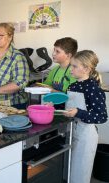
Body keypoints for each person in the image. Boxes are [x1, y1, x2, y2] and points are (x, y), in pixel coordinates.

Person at [63, 50, 107, 183]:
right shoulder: (73, 86)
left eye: (75, 66)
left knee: (80, 174)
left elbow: (101, 116)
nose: (71, 69)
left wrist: (78, 112)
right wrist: (53, 106)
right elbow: (67, 106)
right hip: (71, 132)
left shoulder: (94, 89)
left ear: (86, 68)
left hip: (86, 136)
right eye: (71, 65)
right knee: (68, 171)